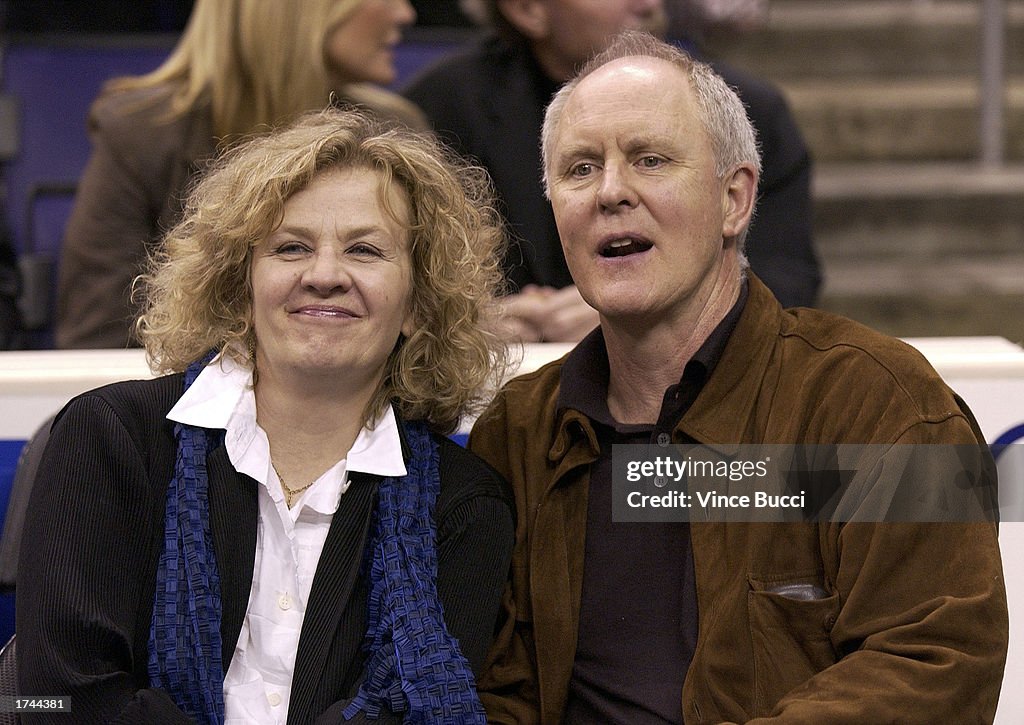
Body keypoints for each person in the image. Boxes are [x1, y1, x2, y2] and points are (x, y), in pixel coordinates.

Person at [468, 31, 1007, 723]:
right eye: (579, 169)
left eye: (650, 159)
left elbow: (937, 661)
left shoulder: (883, 402)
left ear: (736, 199)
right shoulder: (516, 433)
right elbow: (488, 687)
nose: (610, 192)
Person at [18, 109, 514, 724]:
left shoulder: (464, 506)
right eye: (291, 247)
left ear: (418, 302)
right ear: (241, 286)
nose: (325, 275)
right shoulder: (109, 439)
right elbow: (55, 698)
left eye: (364, 250)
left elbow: (407, 713)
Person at [403, 0, 820, 342]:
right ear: (528, 9)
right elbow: (401, 283)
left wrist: (645, 310)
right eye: (582, 168)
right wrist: (462, 322)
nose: (649, 4)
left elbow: (788, 278)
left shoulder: (743, 108)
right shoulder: (440, 107)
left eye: (651, 161)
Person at [56, 0, 424, 350]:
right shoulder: (141, 134)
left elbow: (440, 323)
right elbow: (97, 341)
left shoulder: (393, 133)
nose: (405, 13)